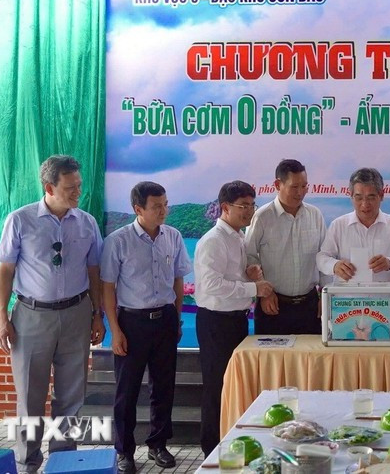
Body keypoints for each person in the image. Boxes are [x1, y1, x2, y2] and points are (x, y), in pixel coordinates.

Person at [0, 155, 105, 473]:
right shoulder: (20, 220)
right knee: (29, 396)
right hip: (30, 316)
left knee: (72, 396)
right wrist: (1, 316)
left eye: (80, 186)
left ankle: (64, 460)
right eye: (70, 187)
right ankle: (26, 462)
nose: (77, 192)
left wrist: (98, 314)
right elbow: (4, 272)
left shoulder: (87, 222)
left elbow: (94, 271)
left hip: (76, 314)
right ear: (49, 187)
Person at [100, 182, 192, 473]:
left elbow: (178, 280)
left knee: (163, 387)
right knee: (126, 391)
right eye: (156, 206)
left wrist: (176, 317)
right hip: (132, 322)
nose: (163, 210)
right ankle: (125, 451)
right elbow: (108, 288)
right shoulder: (118, 240)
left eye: (165, 204)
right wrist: (115, 330)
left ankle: (158, 444)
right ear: (138, 209)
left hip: (164, 319)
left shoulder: (173, 237)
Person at [194, 180, 274, 456]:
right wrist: (254, 288)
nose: (250, 211)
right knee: (217, 387)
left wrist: (249, 275)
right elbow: (212, 285)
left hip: (235, 321)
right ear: (225, 207)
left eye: (252, 205)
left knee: (234, 385)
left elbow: (231, 278)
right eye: (243, 206)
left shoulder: (239, 236)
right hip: (216, 322)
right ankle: (210, 451)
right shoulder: (212, 241)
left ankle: (230, 443)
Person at [245, 159, 325, 335]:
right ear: (277, 184)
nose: (300, 192)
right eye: (294, 187)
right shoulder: (262, 217)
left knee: (309, 360)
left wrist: (325, 296)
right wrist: (263, 291)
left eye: (304, 186)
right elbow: (249, 256)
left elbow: (324, 256)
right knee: (272, 361)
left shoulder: (315, 215)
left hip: (310, 306)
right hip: (273, 305)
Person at [317, 168, 390, 285]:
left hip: (384, 300)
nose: (365, 204)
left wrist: (389, 263)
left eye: (371, 197)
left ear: (381, 195)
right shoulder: (338, 225)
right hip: (347, 299)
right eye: (359, 198)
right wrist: (334, 265)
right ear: (351, 196)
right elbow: (322, 258)